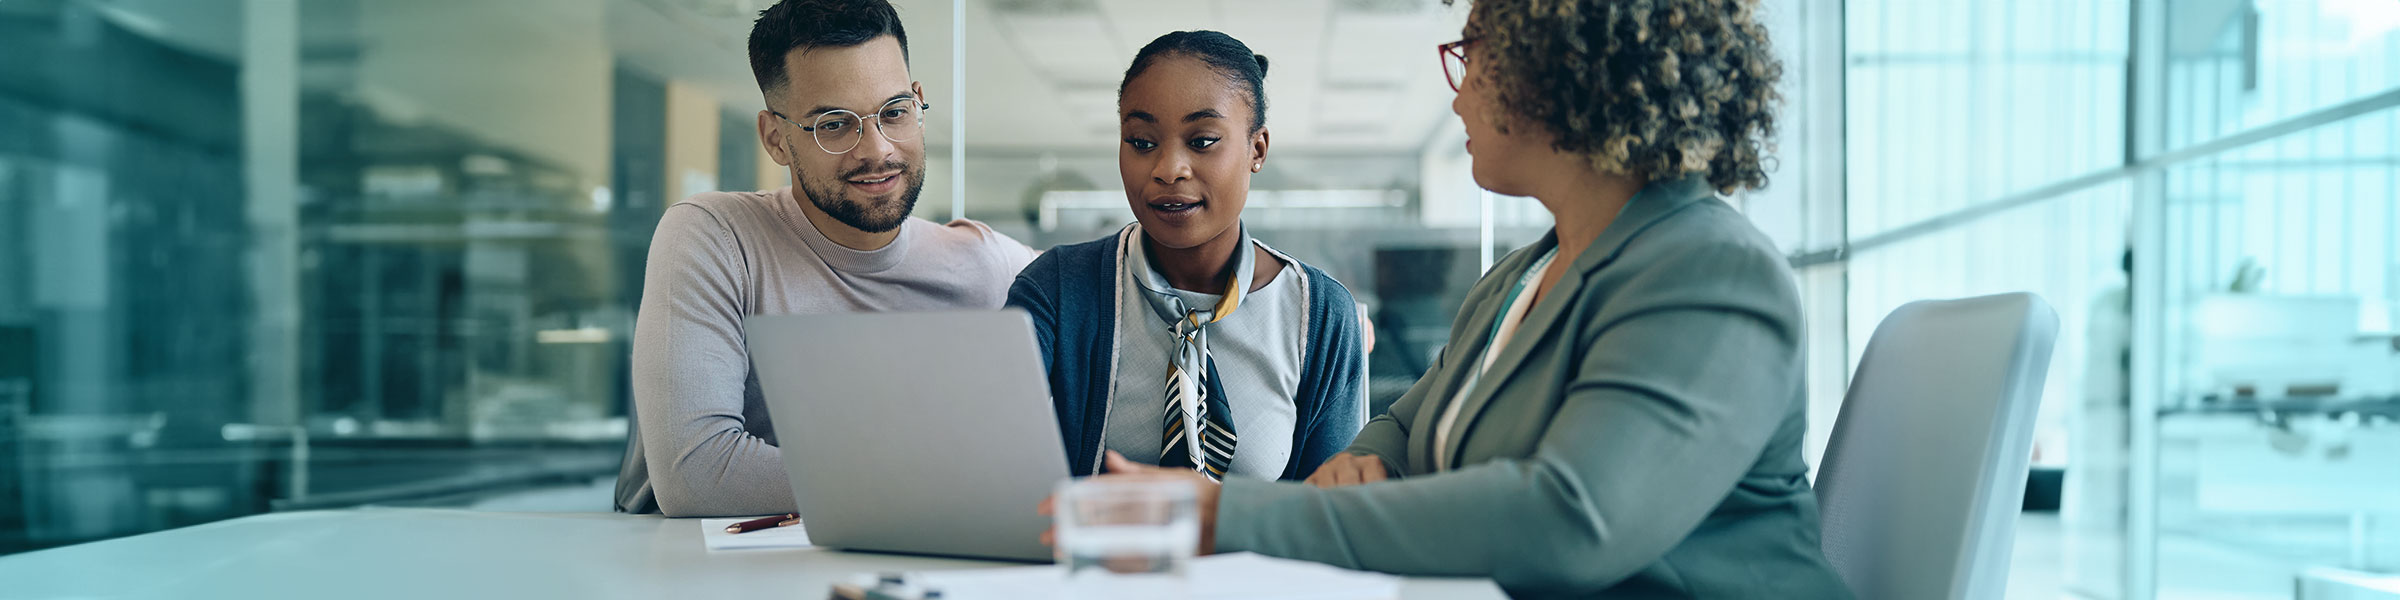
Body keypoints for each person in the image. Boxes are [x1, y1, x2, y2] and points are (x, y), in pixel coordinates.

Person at [1060, 1, 1855, 597]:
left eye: (1471, 57)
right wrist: (1366, 459)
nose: (1459, 95)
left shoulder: (1709, 272)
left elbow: (1568, 520)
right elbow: (1408, 427)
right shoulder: (1520, 278)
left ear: (1558, 69)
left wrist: (1220, 516)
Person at [614, 0, 1038, 517]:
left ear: (918, 102)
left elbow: (1122, 287)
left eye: (894, 111)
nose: (877, 149)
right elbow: (698, 475)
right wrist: (956, 476)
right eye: (835, 124)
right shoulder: (717, 237)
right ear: (776, 138)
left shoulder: (986, 265)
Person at [1007, 31, 1367, 483]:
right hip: (1097, 551)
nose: (1168, 168)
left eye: (1201, 141)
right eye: (1141, 141)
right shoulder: (1057, 289)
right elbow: (997, 467)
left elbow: (1330, 513)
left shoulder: (1321, 315)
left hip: (1252, 554)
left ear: (1257, 150)